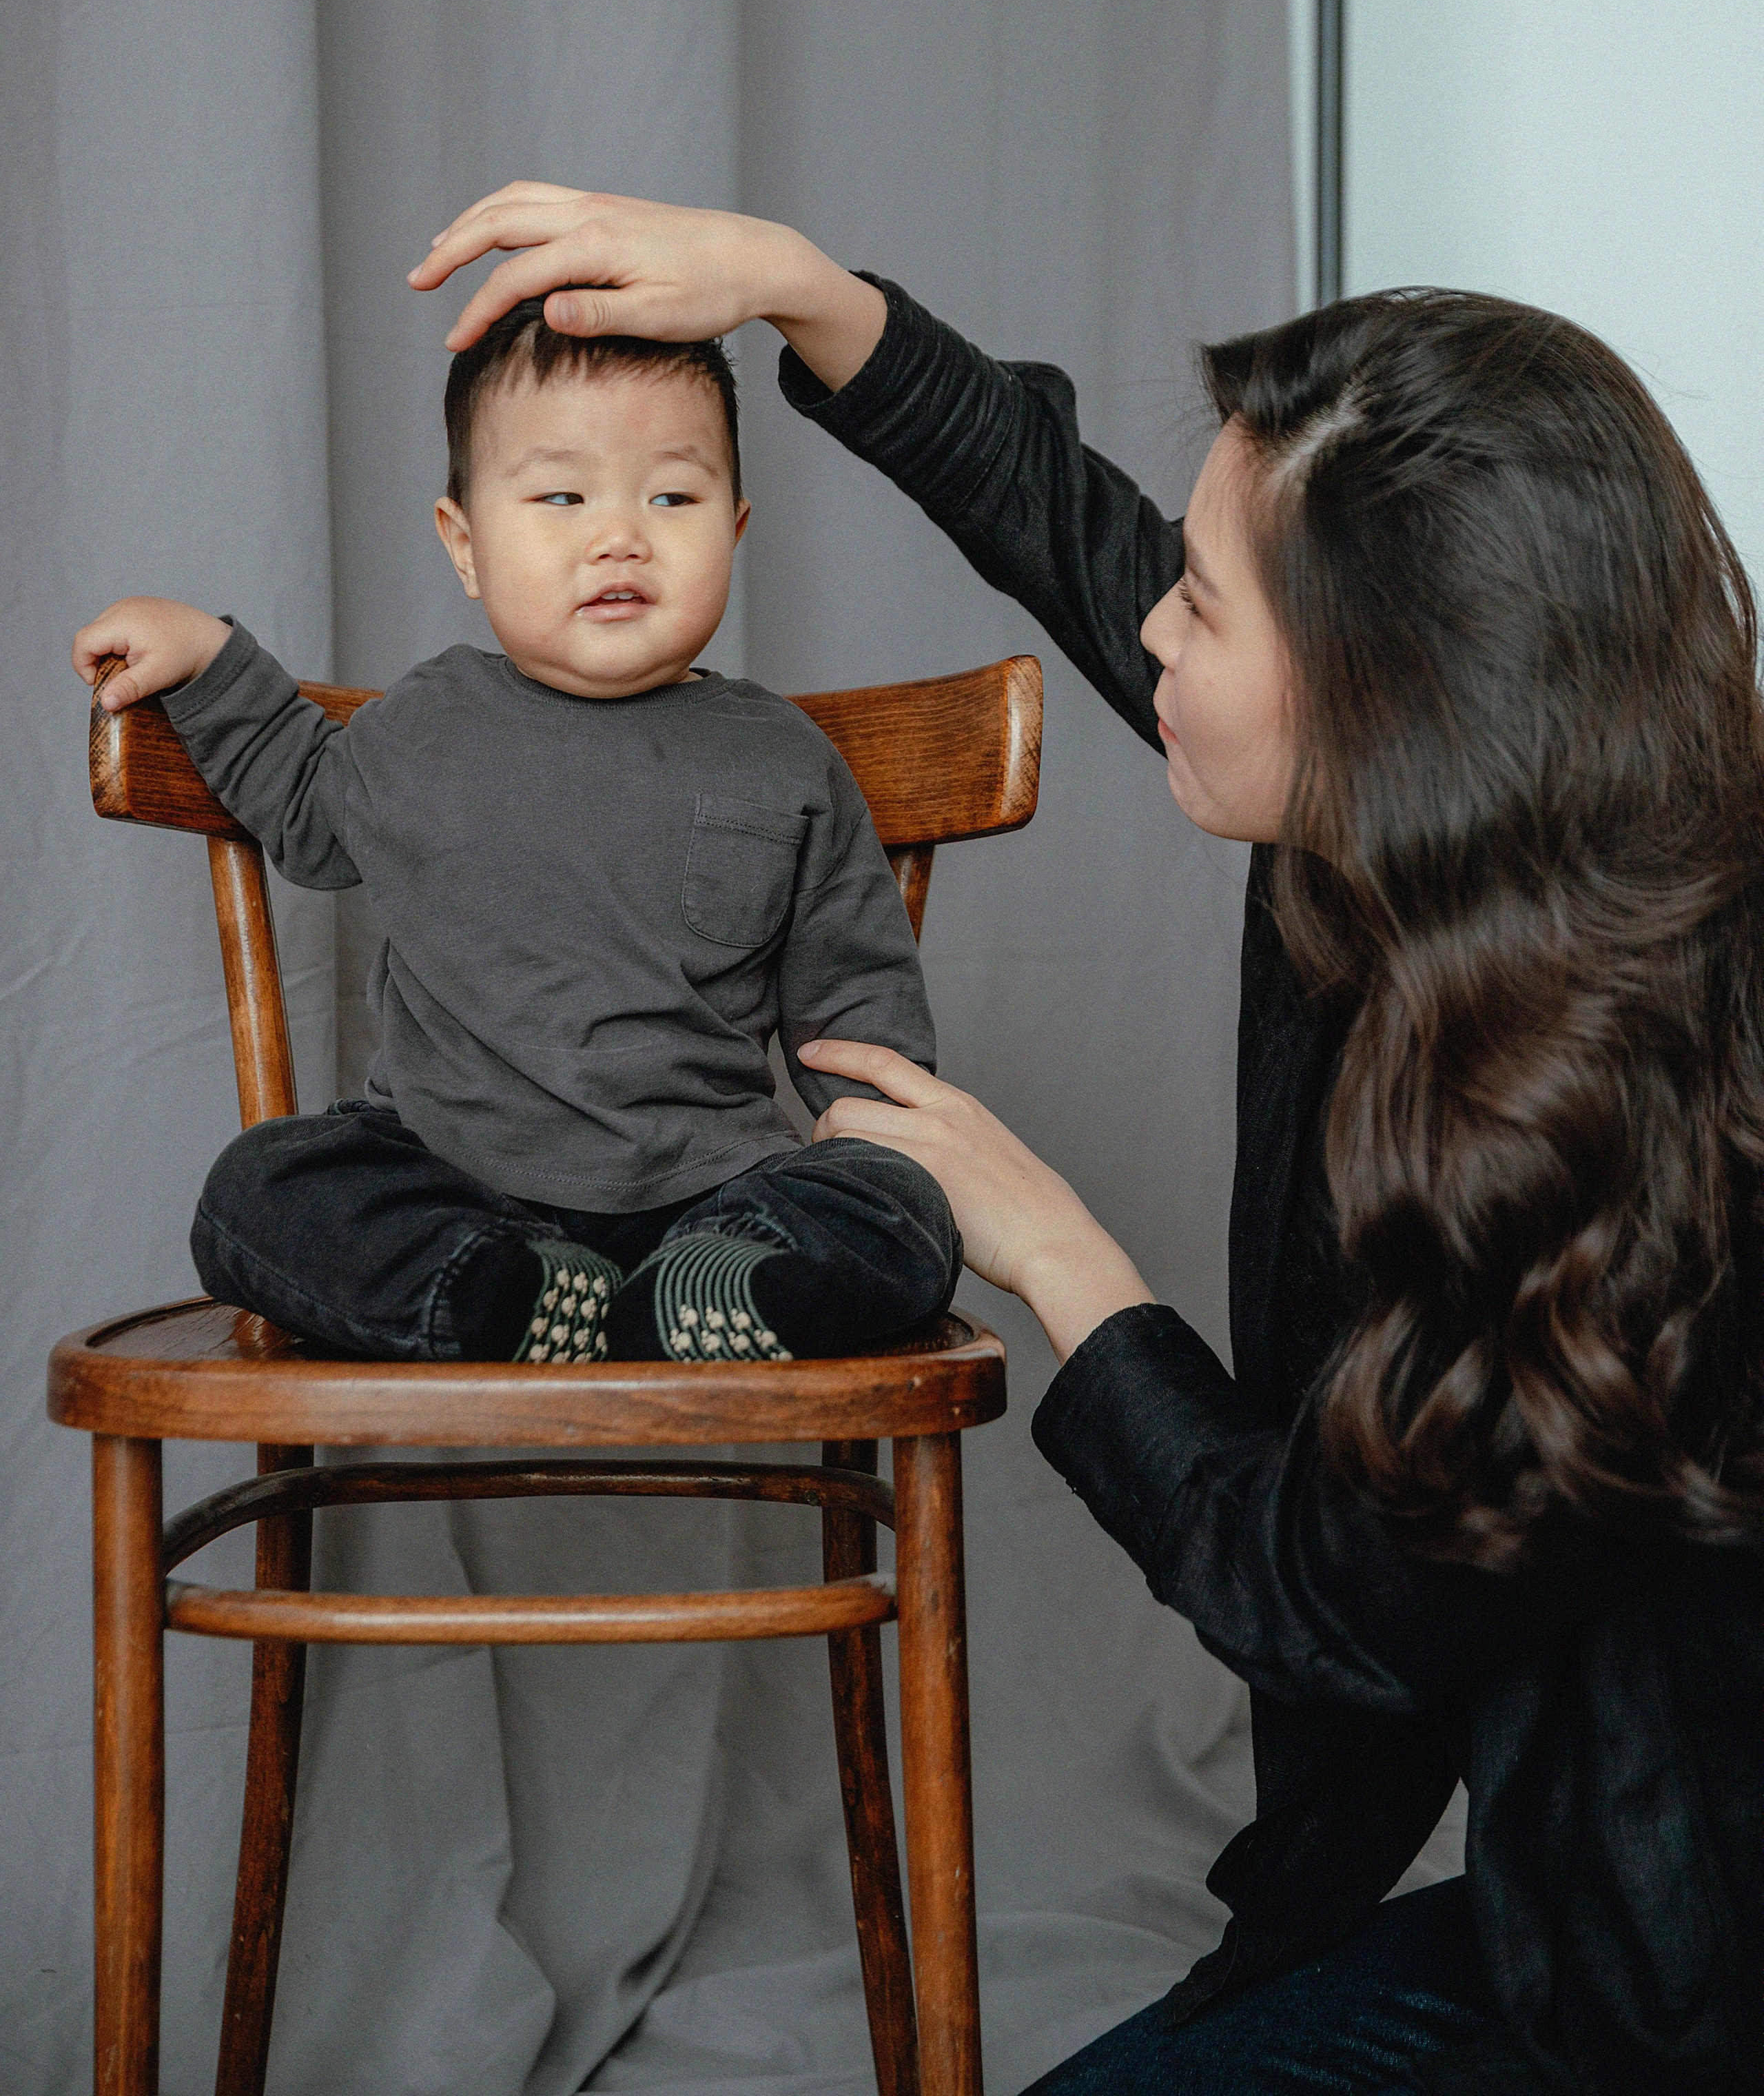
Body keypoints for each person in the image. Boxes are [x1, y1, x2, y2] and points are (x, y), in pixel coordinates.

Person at [409, 186, 1764, 2096]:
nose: (1145, 632)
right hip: (1570, 1919)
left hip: (1677, 1998)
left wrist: (1052, 1248)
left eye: (1198, 603)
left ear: (1389, 699)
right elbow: (1072, 524)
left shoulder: (1647, 1127)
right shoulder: (1439, 840)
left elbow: (1317, 1593)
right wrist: (798, 291)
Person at [72, 301, 959, 1368]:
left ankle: (706, 1289)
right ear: (467, 546)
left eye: (672, 496)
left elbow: (856, 1003)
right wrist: (211, 659)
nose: (620, 535)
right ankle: (504, 1290)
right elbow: (305, 805)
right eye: (562, 496)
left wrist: (877, 1152)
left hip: (710, 1191)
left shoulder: (784, 759)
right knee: (253, 1191)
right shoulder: (428, 722)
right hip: (452, 1178)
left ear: (732, 531)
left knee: (906, 1208)